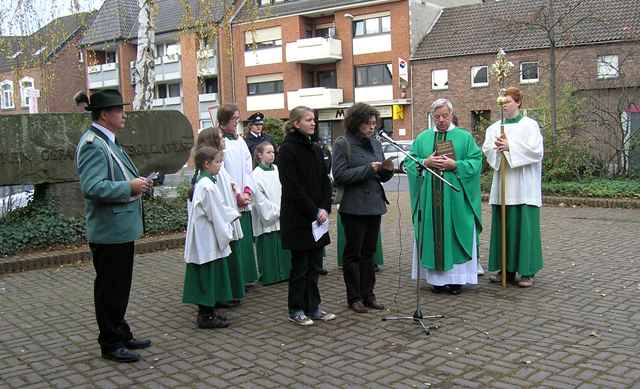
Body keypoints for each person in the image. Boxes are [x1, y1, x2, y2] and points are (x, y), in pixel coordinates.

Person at [74, 89, 152, 363]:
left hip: (118, 229)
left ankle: (120, 332)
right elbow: (92, 187)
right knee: (110, 289)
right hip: (109, 232)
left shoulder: (108, 141)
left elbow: (116, 175)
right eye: (119, 110)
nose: (124, 114)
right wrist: (128, 186)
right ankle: (110, 342)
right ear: (105, 115)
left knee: (119, 287)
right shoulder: (94, 144)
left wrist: (137, 182)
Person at [406, 98, 482, 295]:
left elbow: (476, 162)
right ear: (432, 117)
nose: (440, 120)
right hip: (430, 201)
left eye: (444, 116)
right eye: (437, 116)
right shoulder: (422, 138)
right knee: (434, 234)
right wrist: (425, 162)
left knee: (455, 233)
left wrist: (455, 165)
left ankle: (457, 281)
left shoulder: (464, 137)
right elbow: (408, 163)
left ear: (451, 114)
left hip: (455, 200)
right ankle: (437, 281)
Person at [277, 106, 336, 326]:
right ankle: (296, 308)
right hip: (298, 218)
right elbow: (292, 187)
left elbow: (324, 180)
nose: (313, 123)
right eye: (308, 120)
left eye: (314, 120)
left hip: (317, 218)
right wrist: (314, 210)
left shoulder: (315, 146)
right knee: (300, 267)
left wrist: (323, 207)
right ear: (296, 124)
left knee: (314, 266)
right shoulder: (287, 150)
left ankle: (314, 306)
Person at [332, 103, 393, 313]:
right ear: (357, 123)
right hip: (354, 206)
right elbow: (340, 176)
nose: (372, 127)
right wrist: (368, 169)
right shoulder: (343, 144)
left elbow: (381, 174)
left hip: (374, 204)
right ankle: (354, 297)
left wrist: (387, 171)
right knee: (353, 254)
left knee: (369, 253)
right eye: (368, 124)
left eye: (375, 123)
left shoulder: (376, 144)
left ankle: (369, 295)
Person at [482, 87, 544, 287]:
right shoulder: (494, 128)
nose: (504, 105)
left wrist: (511, 147)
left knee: (524, 228)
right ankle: (506, 270)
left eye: (508, 101)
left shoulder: (530, 125)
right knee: (504, 228)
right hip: (503, 187)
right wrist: (497, 150)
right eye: (502, 102)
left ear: (518, 102)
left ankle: (527, 272)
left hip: (524, 186)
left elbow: (536, 151)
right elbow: (487, 149)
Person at [183, 146, 238, 329]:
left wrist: (230, 213)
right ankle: (205, 315)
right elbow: (216, 213)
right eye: (217, 162)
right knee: (207, 273)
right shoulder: (207, 185)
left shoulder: (205, 182)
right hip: (206, 238)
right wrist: (230, 225)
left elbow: (219, 208)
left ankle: (210, 312)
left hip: (205, 236)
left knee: (211, 273)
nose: (220, 165)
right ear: (206, 164)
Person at [193, 128, 246, 304]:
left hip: (223, 217)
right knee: (216, 262)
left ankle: (226, 293)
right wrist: (231, 215)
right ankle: (216, 300)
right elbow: (213, 206)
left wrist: (238, 193)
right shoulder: (204, 181)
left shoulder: (215, 169)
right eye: (221, 137)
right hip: (214, 225)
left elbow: (229, 182)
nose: (224, 139)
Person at [218, 104, 259, 287]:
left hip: (244, 198)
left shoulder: (241, 141)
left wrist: (248, 191)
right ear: (224, 120)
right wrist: (236, 194)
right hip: (230, 200)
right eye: (234, 119)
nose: (237, 122)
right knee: (234, 241)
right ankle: (236, 281)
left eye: (237, 118)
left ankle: (247, 277)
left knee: (246, 241)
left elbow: (247, 168)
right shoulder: (219, 143)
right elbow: (221, 172)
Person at [251, 142, 292, 285]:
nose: (272, 155)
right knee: (269, 247)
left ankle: (285, 273)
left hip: (282, 215)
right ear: (259, 155)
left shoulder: (277, 169)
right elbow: (259, 200)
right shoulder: (255, 175)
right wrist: (277, 211)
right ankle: (270, 276)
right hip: (267, 219)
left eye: (273, 152)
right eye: (268, 152)